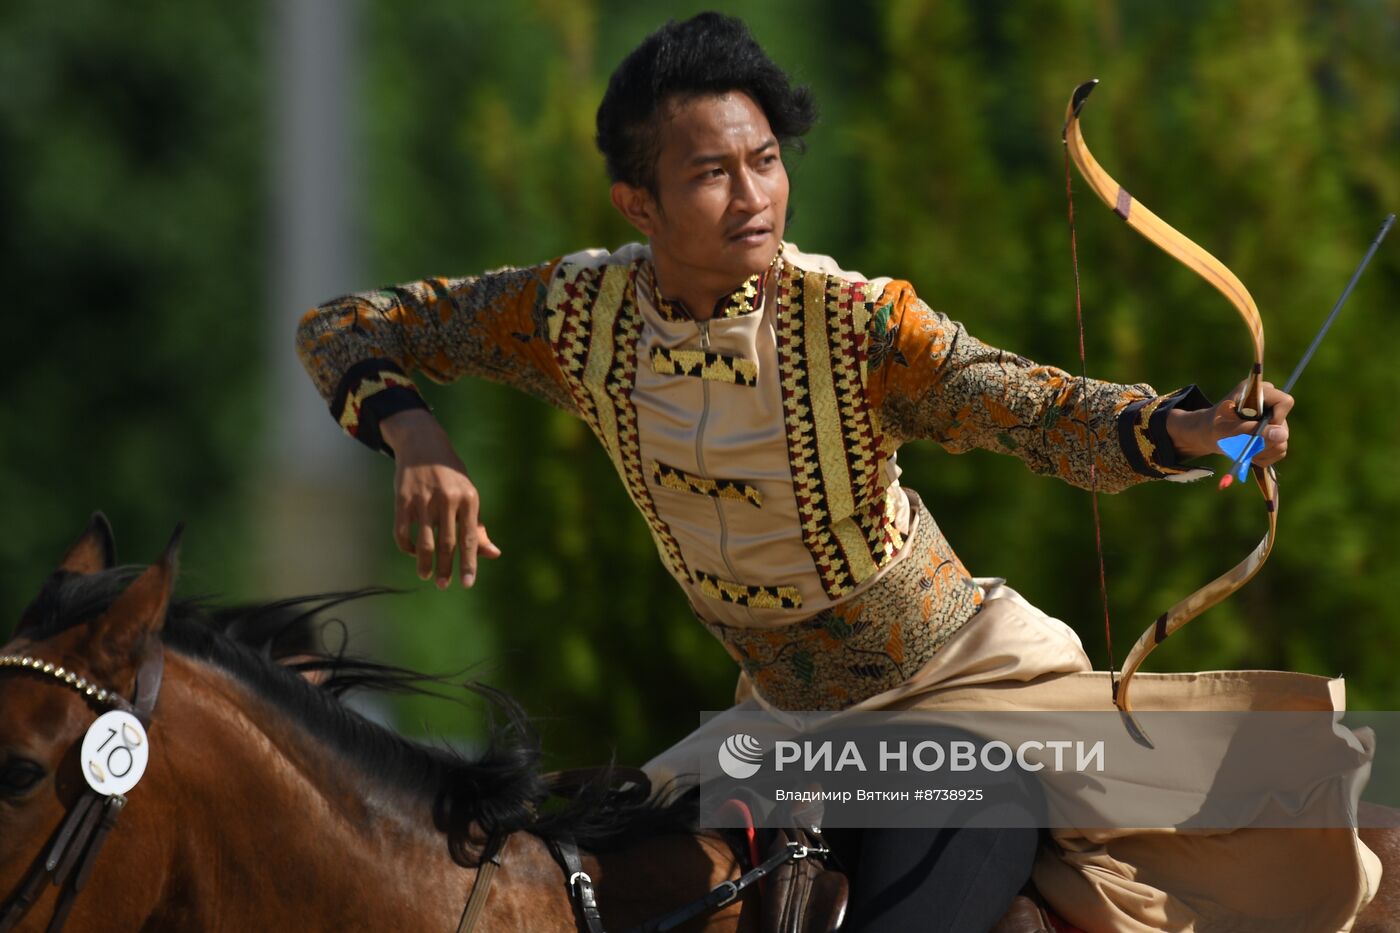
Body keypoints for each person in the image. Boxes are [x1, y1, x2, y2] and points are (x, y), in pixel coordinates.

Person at [296, 13, 1378, 931]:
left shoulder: (856, 323)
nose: (751, 194)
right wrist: (418, 440)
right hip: (779, 722)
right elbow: (343, 325)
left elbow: (1032, 406)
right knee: (565, 881)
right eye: (709, 172)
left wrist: (1193, 432)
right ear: (637, 204)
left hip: (969, 701)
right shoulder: (570, 315)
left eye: (764, 160)